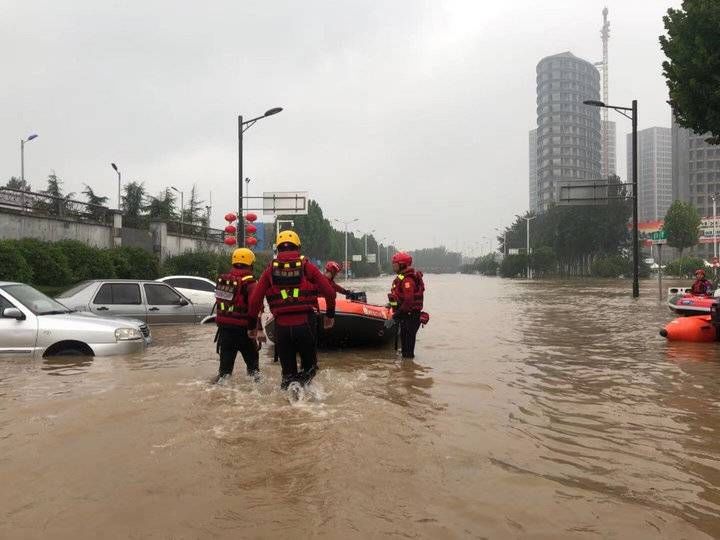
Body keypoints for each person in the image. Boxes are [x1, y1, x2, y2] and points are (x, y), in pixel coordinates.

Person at [247, 230, 336, 389]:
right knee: (310, 370)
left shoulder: (269, 271)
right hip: (305, 326)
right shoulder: (307, 267)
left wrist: (252, 327)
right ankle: (305, 400)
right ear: (298, 247)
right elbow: (330, 292)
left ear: (277, 249)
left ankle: (289, 404)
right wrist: (329, 315)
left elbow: (254, 301)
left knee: (287, 375)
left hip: (281, 328)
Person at [212, 247, 264, 383]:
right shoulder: (251, 284)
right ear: (251, 264)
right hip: (245, 333)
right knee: (254, 372)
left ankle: (216, 392)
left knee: (224, 373)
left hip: (225, 332)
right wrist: (258, 329)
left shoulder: (225, 282)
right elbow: (256, 308)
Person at [387, 251, 425, 359]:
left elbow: (408, 302)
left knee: (408, 352)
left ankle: (409, 372)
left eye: (395, 263)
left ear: (402, 264)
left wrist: (394, 317)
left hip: (410, 317)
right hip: (405, 317)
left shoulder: (408, 280)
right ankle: (406, 372)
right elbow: (400, 298)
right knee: (405, 350)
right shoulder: (402, 278)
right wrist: (391, 304)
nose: (393, 266)